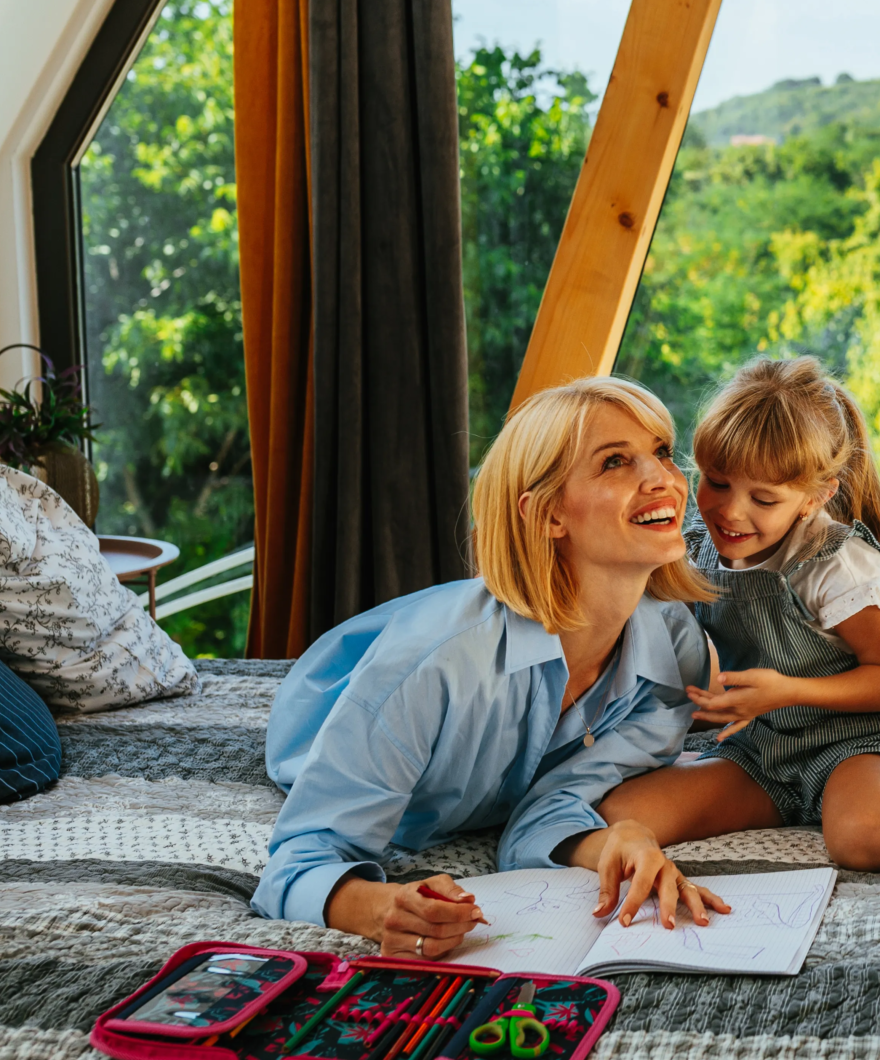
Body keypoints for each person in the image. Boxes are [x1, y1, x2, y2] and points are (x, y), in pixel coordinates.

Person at [254, 376, 731, 958]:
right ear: (549, 514)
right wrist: (381, 908)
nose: (663, 479)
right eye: (614, 462)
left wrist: (613, 842)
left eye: (660, 451)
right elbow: (298, 861)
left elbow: (543, 815)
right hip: (332, 710)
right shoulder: (433, 667)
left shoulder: (673, 649)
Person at [595, 356, 880, 870]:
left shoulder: (837, 563)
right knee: (617, 815)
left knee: (867, 839)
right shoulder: (694, 547)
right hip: (761, 747)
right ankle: (799, 803)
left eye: (763, 499)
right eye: (716, 482)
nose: (730, 512)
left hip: (858, 738)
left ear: (814, 498)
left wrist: (786, 692)